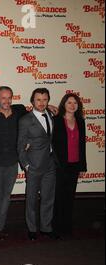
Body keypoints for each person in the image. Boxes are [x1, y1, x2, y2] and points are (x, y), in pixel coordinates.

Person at [0, 86, 27, 240]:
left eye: (9, 98)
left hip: (13, 161)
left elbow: (37, 113)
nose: (6, 101)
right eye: (3, 98)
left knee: (6, 196)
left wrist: (49, 107)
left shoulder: (20, 111)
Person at [18, 88, 59, 241]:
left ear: (48, 100)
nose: (42, 103)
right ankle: (32, 229)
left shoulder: (51, 115)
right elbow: (20, 145)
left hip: (50, 163)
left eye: (45, 99)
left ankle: (46, 228)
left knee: (48, 197)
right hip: (33, 165)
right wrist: (26, 165)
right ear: (32, 101)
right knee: (31, 198)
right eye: (38, 100)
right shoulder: (25, 120)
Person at [52, 93, 87, 236]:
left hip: (75, 165)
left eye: (75, 103)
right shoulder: (57, 121)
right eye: (69, 103)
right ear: (63, 105)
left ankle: (67, 227)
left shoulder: (81, 121)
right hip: (60, 166)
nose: (72, 106)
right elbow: (52, 145)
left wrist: (83, 166)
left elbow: (82, 145)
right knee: (58, 197)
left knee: (69, 197)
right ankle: (56, 228)